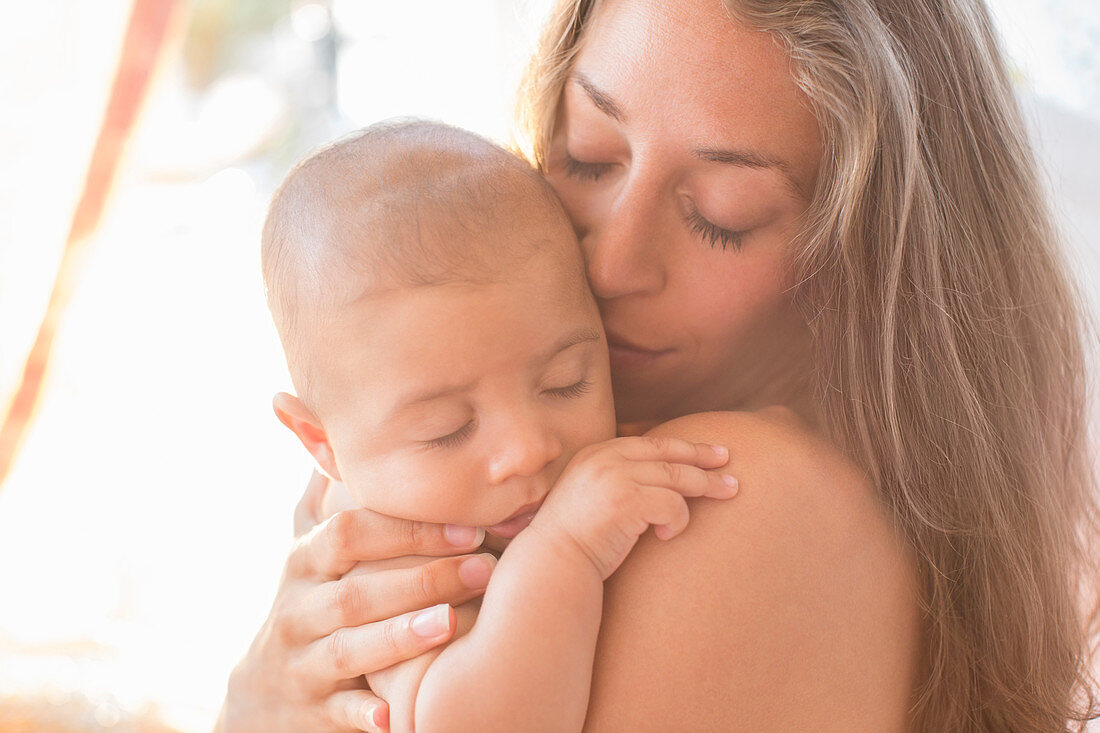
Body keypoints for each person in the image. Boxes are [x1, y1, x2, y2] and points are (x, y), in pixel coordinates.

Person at [218, 0, 1100, 730]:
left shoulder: (724, 495)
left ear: (868, 260)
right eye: (589, 155)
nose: (608, 266)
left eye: (723, 213)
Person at [258, 119, 739, 733]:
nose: (528, 450)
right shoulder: (388, 565)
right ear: (323, 445)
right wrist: (567, 548)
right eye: (447, 429)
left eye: (566, 382)